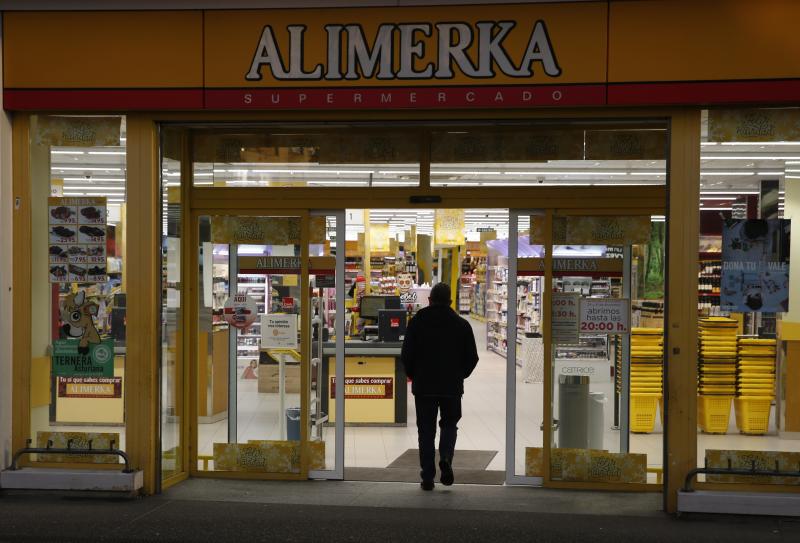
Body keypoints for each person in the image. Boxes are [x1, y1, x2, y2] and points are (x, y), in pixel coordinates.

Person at [401, 282, 479, 491]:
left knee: (425, 430)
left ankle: (427, 476)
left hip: (424, 385)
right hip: (451, 386)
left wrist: (413, 375)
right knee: (450, 424)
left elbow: (406, 354)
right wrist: (459, 375)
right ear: (451, 302)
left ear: (430, 300)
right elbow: (472, 357)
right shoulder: (462, 324)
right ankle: (445, 458)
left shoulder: (417, 321)